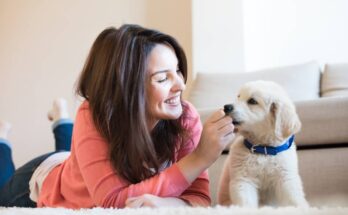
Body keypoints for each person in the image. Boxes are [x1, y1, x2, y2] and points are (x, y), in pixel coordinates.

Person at [0, 24, 235, 208]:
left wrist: (166, 204)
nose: (181, 85)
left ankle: (61, 120)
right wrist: (199, 158)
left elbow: (199, 198)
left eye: (178, 71)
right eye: (163, 79)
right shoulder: (95, 114)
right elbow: (111, 202)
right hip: (44, 181)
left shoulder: (185, 117)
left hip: (76, 164)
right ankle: (4, 140)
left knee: (73, 157)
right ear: (127, 88)